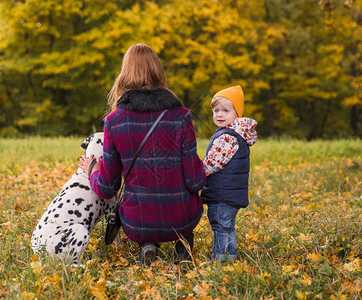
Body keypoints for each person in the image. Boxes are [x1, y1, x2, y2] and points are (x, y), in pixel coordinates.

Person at [78, 43, 206, 266]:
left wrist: (92, 169)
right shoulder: (181, 117)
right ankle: (182, 244)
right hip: (183, 217)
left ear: (125, 75)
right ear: (158, 72)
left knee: (145, 214)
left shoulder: (115, 121)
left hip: (137, 222)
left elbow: (108, 187)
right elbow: (195, 181)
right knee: (184, 215)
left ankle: (148, 244)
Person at [200, 85, 257, 262]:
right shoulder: (234, 133)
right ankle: (227, 257)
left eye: (225, 110)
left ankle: (222, 260)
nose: (219, 114)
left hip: (222, 194)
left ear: (237, 113)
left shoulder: (227, 137)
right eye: (216, 110)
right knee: (225, 225)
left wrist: (196, 172)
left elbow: (212, 164)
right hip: (229, 192)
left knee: (220, 225)